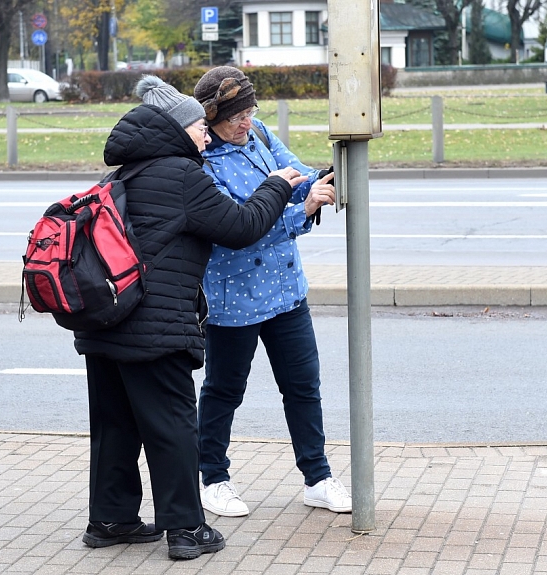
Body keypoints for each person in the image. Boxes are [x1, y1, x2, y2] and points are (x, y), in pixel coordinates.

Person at [74, 75, 304, 560]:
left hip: (105, 323)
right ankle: (186, 530)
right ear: (178, 129)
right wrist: (277, 185)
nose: (206, 132)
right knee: (174, 425)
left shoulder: (121, 174)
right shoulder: (182, 175)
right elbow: (241, 226)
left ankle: (110, 519)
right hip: (154, 328)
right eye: (200, 125)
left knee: (115, 424)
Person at [193, 66, 351, 517]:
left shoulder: (259, 133)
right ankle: (213, 478)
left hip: (285, 291)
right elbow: (239, 226)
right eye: (234, 117)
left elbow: (296, 172)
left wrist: (324, 180)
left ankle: (317, 477)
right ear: (211, 119)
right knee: (224, 390)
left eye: (249, 110)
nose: (245, 123)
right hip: (233, 299)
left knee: (303, 387)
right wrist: (301, 209)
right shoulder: (202, 163)